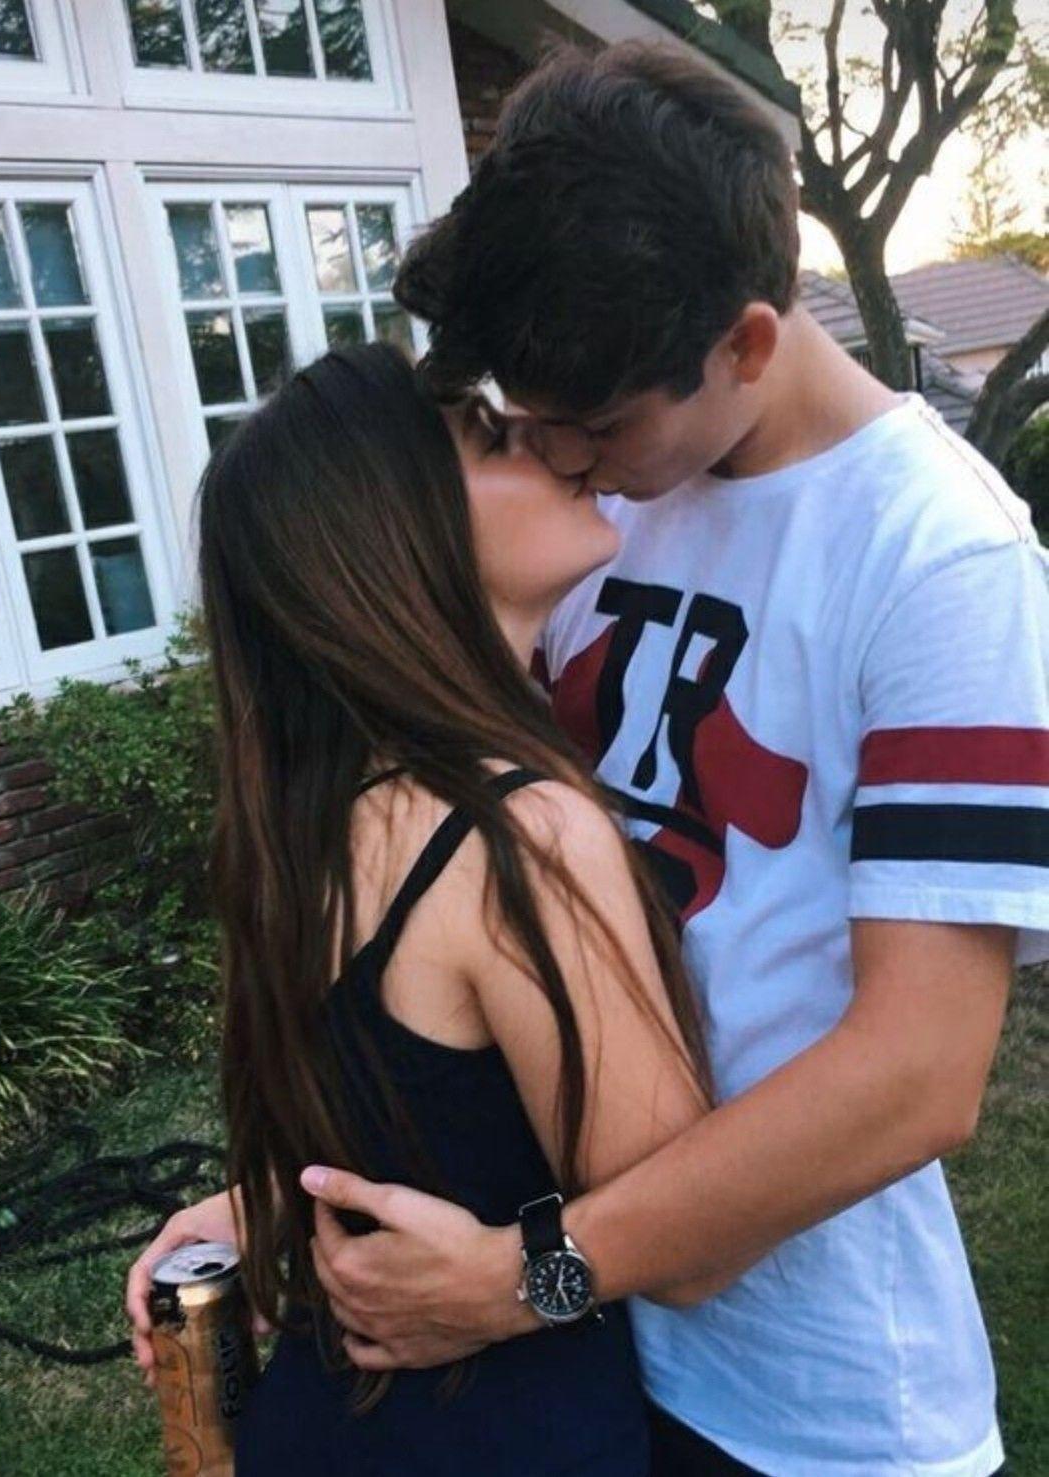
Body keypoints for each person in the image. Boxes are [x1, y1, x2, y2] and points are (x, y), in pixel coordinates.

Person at [295, 43, 1049, 1477]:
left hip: (817, 1405)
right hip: (601, 1349)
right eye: (528, 422)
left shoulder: (942, 559)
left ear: (748, 344)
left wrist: (528, 1277)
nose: (562, 457)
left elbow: (920, 1071)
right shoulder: (603, 501)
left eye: (594, 426)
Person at [126, 342, 716, 1475]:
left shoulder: (304, 822)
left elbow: (400, 1127)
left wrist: (256, 1205)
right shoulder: (518, 834)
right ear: (401, 534)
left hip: (327, 1420)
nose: (559, 446)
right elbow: (685, 1241)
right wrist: (536, 1278)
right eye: (496, 438)